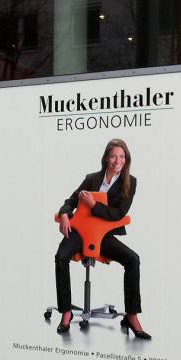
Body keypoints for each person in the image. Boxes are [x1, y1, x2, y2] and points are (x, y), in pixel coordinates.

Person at [54, 138, 150, 339]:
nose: (118, 161)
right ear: (106, 158)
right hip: (79, 230)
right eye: (114, 156)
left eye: (122, 156)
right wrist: (64, 214)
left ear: (126, 159)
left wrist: (94, 205)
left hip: (103, 235)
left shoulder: (130, 182)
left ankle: (132, 316)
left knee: (133, 259)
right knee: (60, 257)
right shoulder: (92, 179)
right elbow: (71, 201)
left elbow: (118, 214)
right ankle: (66, 312)